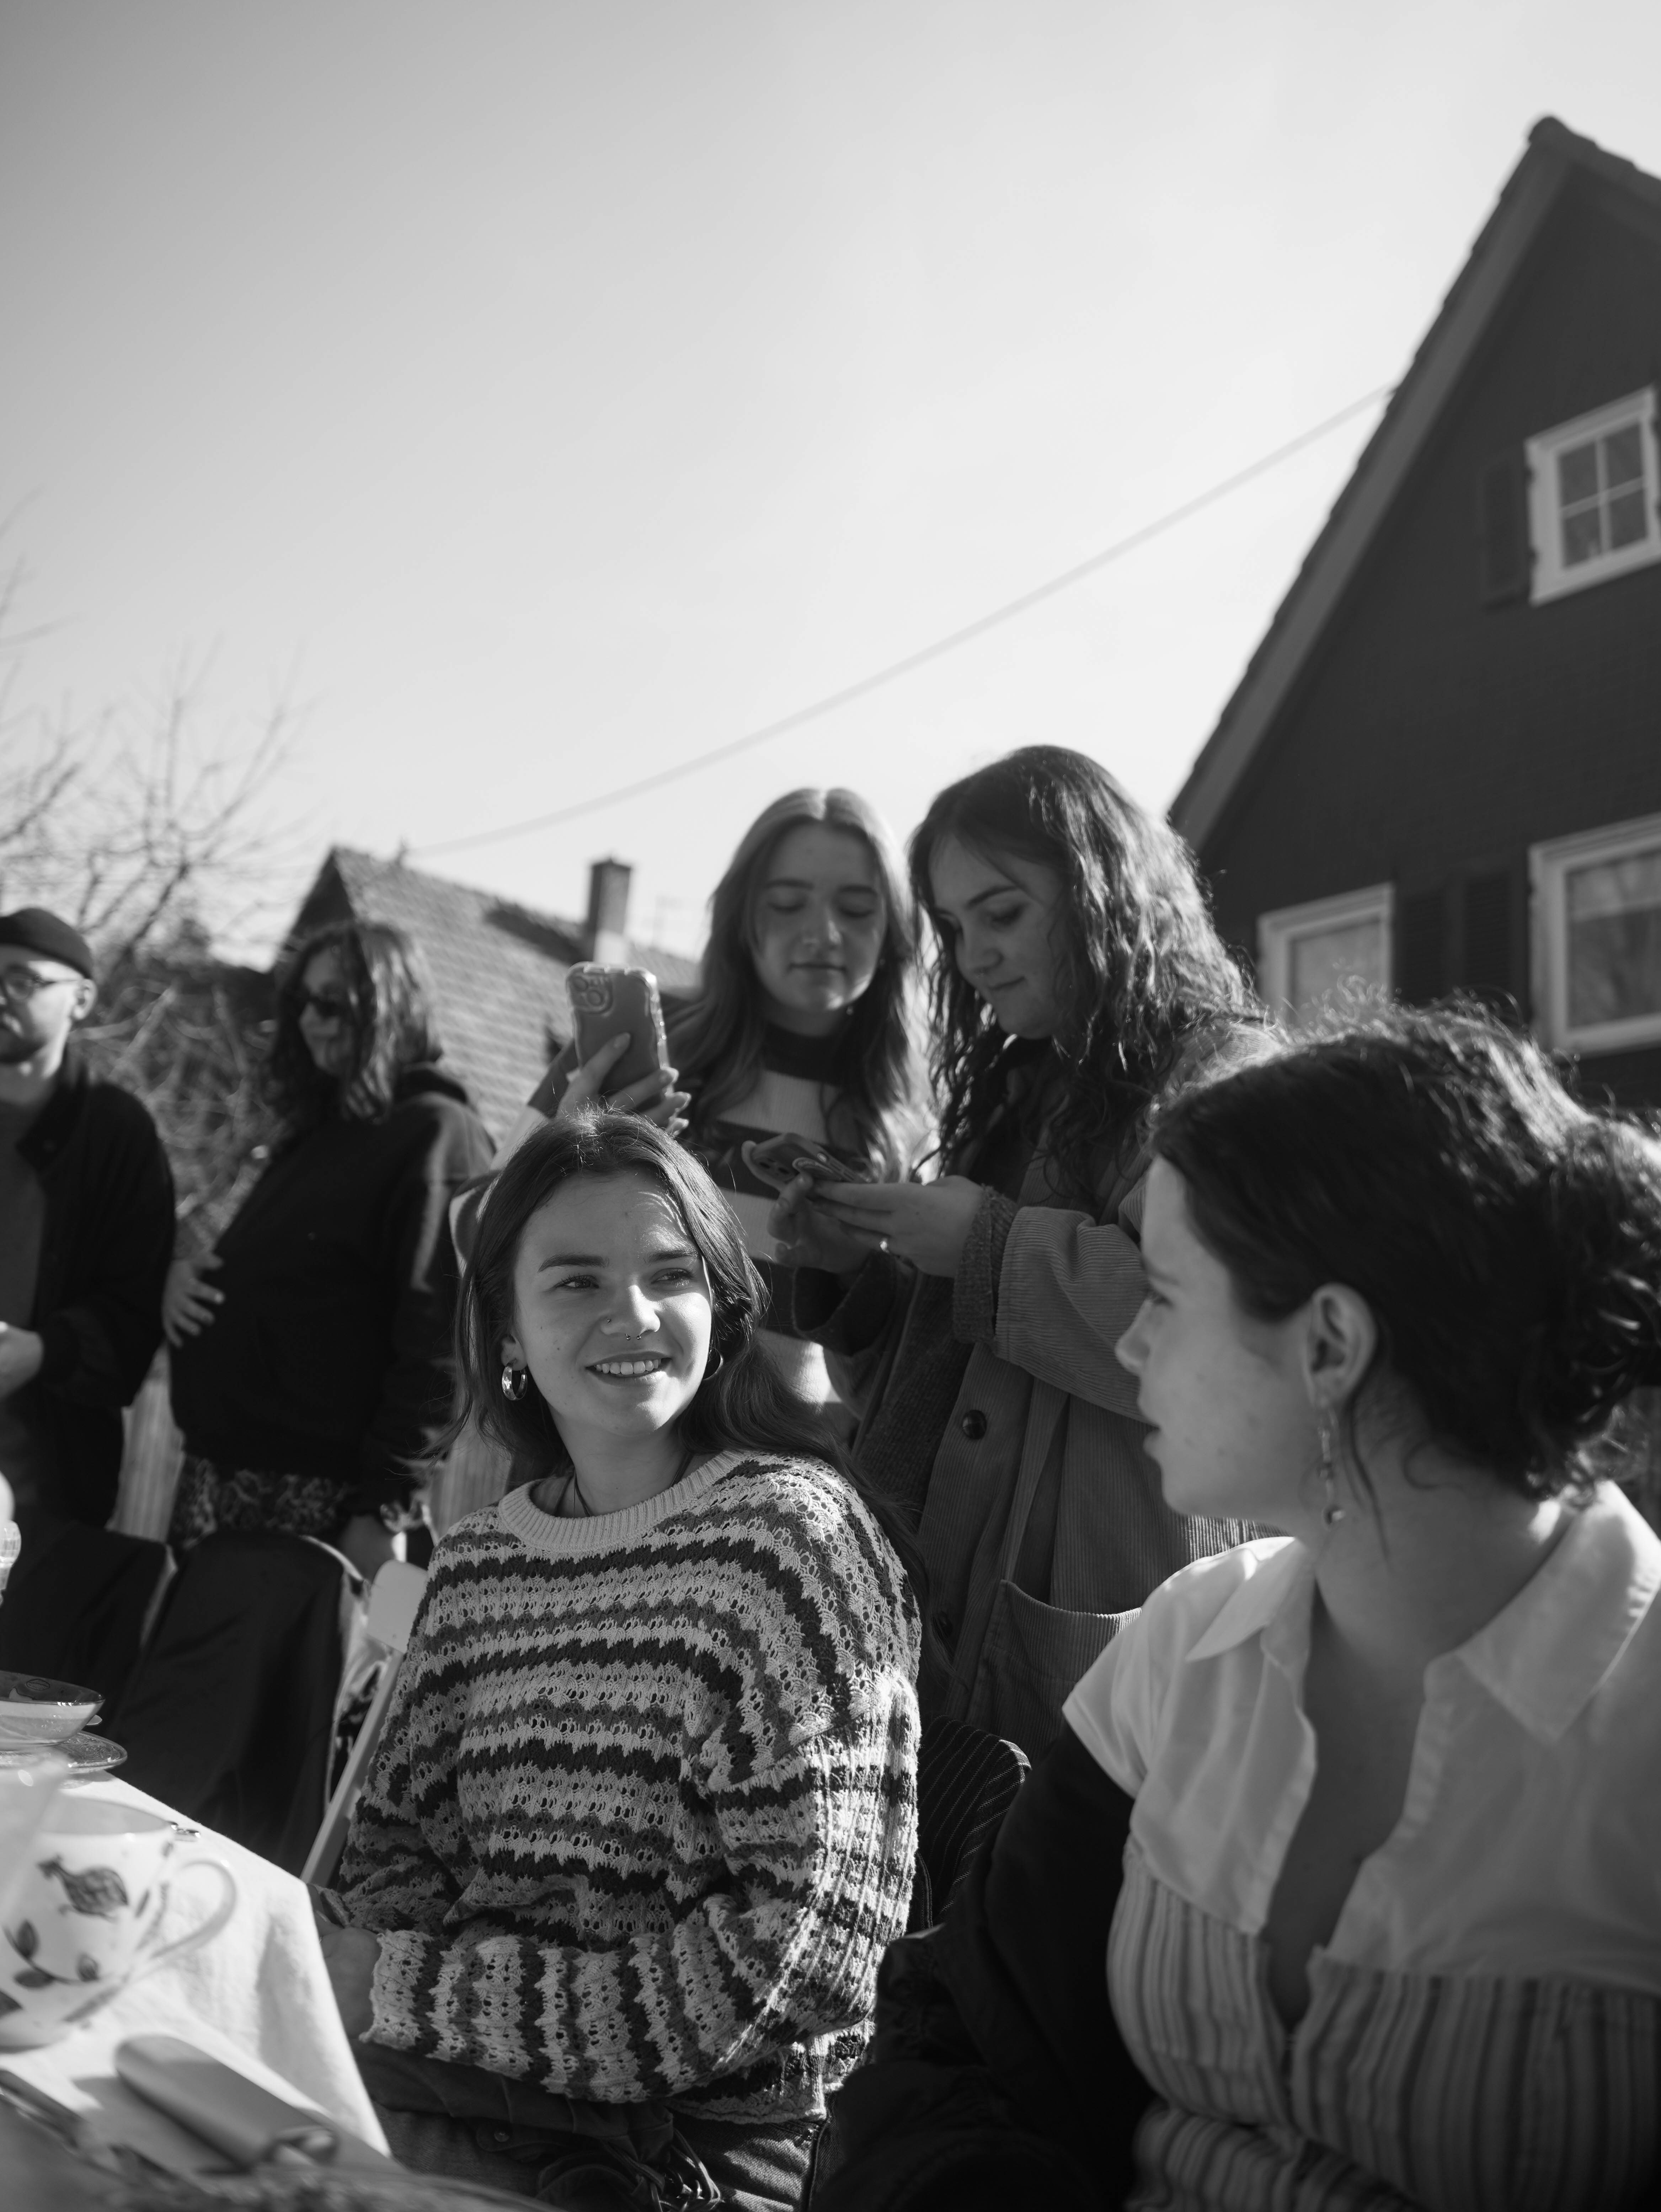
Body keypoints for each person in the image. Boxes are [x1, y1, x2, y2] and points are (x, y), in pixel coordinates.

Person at [813, 1009, 1661, 2212]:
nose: (1133, 1334)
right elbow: (957, 2049)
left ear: (1328, 1343)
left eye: (1161, 1287)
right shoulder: (1182, 1645)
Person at [317, 1111, 920, 2212]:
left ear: (722, 1308)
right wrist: (400, 1990)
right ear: (504, 1328)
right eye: (576, 1281)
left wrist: (421, 1995)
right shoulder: (485, 1560)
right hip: (469, 2080)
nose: (631, 1315)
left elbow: (809, 1953)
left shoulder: (791, 1547)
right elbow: (397, 1850)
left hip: (703, 2146)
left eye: (669, 1274)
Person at [774, 745, 1255, 1758]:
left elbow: (1221, 1340)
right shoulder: (1015, 1088)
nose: (973, 954)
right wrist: (860, 1272)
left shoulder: (1229, 1083)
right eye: (952, 928)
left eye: (1002, 914)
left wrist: (984, 1249)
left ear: (1102, 893)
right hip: (923, 1608)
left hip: (1091, 1625)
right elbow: (937, 1387)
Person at [512, 788, 924, 1420]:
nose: (822, 932)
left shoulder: (909, 1123)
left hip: (780, 1490)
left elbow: (893, 1367)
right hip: (602, 1463)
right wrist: (563, 1157)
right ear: (741, 918)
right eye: (787, 904)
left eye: (858, 907)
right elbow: (470, 1230)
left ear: (895, 932)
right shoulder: (640, 1041)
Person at [164, 921, 493, 1576]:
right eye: (303, 1003)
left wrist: (384, 1512)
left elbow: (440, 1344)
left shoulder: (437, 1133)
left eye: (335, 1002)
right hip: (219, 1490)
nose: (313, 1020)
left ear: (393, 1006)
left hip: (324, 1510)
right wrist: (175, 1278)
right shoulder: (317, 1130)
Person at [0, 906, 174, 1524]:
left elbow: (139, 1307)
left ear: (81, 999)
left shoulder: (117, 1136)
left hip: (47, 1493)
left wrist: (46, 1350)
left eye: (23, 980)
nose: (1, 994)